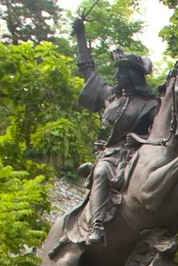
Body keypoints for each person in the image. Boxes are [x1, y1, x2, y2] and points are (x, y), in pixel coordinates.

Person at [71, 17, 158, 246]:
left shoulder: (149, 105)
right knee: (100, 173)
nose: (116, 76)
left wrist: (142, 139)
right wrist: (80, 35)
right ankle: (96, 225)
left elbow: (161, 132)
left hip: (136, 153)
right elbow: (87, 70)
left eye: (121, 73)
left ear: (131, 77)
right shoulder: (110, 97)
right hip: (111, 156)